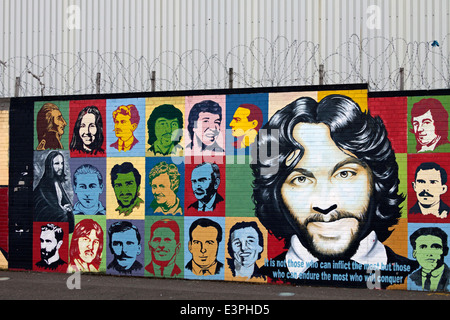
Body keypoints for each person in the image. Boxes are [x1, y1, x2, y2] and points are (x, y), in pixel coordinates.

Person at [251, 95, 418, 288]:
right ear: (275, 195)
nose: (324, 203)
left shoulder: (413, 276)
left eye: (345, 174)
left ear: (376, 180)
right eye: (301, 179)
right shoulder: (262, 279)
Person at [34, 151, 74, 233]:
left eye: (62, 163)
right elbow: (49, 210)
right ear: (50, 166)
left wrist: (67, 209)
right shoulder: (44, 186)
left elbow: (62, 204)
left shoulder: (56, 182)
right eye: (57, 163)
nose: (60, 167)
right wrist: (63, 210)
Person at [409, 227, 450, 291]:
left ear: (445, 251)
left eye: (435, 247)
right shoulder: (411, 278)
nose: (429, 253)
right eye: (423, 247)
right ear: (414, 253)